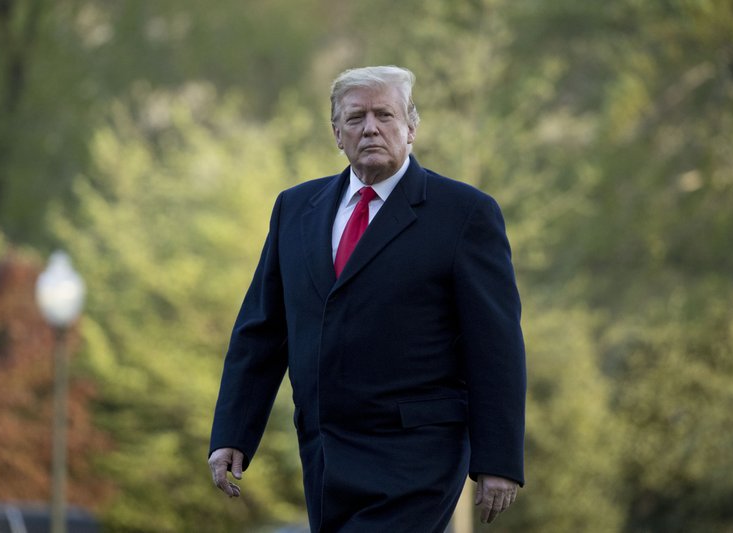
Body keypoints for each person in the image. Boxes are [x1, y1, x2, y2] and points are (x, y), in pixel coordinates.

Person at [208, 65, 526, 532]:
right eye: (356, 118)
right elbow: (261, 330)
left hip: (418, 455)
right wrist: (233, 431)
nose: (370, 127)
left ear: (411, 126)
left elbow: (496, 346)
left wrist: (498, 458)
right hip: (324, 454)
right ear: (337, 133)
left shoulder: (465, 214)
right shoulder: (295, 209)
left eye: (385, 114)